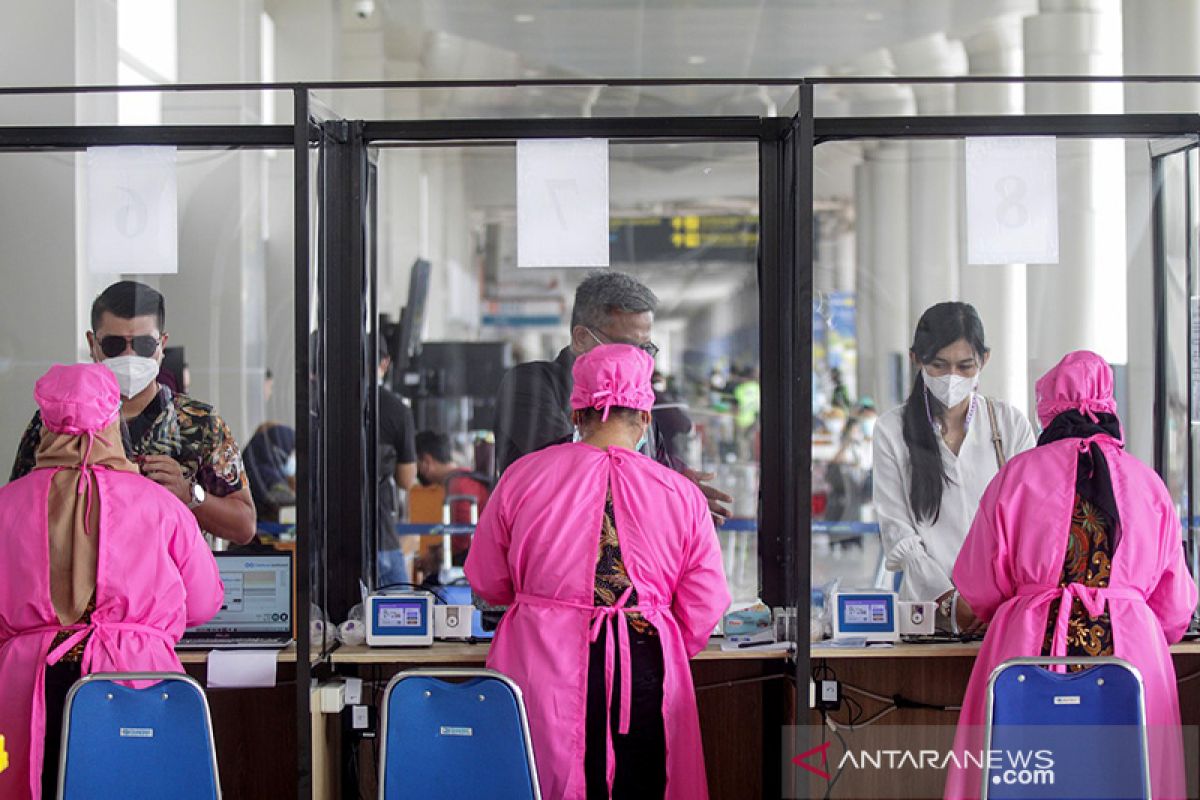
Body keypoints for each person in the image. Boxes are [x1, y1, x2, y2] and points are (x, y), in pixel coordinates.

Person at [466, 344, 730, 800]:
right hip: (647, 665)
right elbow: (704, 606)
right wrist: (656, 630)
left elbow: (487, 581)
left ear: (576, 416)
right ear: (645, 419)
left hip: (544, 661)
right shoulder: (681, 494)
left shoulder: (521, 478)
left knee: (547, 778)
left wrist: (541, 607)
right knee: (647, 781)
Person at [945, 351, 1198, 799]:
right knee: (1132, 779)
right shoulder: (1148, 483)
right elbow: (1176, 610)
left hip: (1027, 654)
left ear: (1047, 411)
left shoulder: (1015, 478)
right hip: (1130, 659)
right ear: (1109, 407)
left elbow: (979, 593)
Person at [0, 363, 224, 800]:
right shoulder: (160, 505)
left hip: (24, 688)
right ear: (111, 420)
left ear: (45, 423)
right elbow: (204, 603)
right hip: (136, 680)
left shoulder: (5, 506)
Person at [9, 281, 256, 545]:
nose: (130, 355)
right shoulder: (58, 422)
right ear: (93, 344)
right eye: (115, 345)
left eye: (144, 344)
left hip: (173, 583)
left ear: (162, 345)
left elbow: (244, 525)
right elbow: (16, 514)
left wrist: (190, 494)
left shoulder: (199, 423)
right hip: (82, 583)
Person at [494, 270, 732, 523]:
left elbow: (654, 459)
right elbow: (575, 467)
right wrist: (668, 487)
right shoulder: (529, 385)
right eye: (627, 347)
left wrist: (679, 479)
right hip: (550, 546)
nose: (639, 359)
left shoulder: (635, 397)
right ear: (582, 338)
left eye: (645, 349)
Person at [872, 302, 1036, 629]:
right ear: (916, 359)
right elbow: (898, 531)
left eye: (965, 366)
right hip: (927, 609)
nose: (952, 377)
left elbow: (1030, 520)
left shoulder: (1009, 424)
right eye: (939, 365)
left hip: (1002, 611)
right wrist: (949, 600)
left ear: (984, 360)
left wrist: (991, 599)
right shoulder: (892, 430)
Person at [414, 430, 491, 567]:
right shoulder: (464, 477)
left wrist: (435, 557)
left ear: (426, 461)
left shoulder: (459, 486)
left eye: (416, 464)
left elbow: (463, 539)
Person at [377, 340, 417, 586]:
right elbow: (406, 480)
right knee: (399, 615)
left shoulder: (321, 404)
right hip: (380, 535)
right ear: (385, 362)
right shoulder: (396, 409)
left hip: (326, 542)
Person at [243, 422, 297, 522]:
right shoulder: (267, 478)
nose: (293, 458)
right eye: (292, 451)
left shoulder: (252, 468)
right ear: (280, 449)